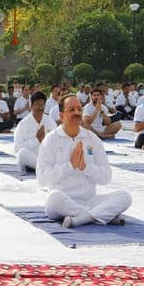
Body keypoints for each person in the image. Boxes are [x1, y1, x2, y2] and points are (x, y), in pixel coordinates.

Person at [37, 95, 131, 228]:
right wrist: (70, 166)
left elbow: (106, 177)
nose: (77, 113)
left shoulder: (92, 139)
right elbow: (42, 179)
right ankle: (103, 216)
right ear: (62, 115)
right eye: (71, 109)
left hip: (90, 201)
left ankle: (82, 218)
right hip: (63, 202)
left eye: (79, 109)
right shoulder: (51, 140)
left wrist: (85, 167)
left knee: (125, 197)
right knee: (53, 199)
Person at [14, 91, 56, 172]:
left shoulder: (50, 121)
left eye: (42, 105)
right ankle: (44, 168)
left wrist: (45, 141)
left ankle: (43, 167)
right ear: (31, 106)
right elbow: (17, 148)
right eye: (38, 104)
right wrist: (36, 139)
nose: (40, 107)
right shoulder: (23, 124)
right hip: (32, 157)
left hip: (47, 157)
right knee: (22, 154)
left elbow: (57, 142)